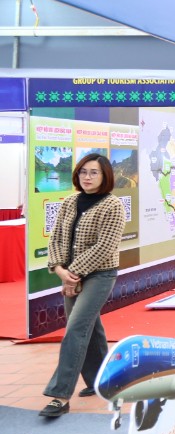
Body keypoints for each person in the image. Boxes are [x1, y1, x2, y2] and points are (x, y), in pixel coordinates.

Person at [39, 153, 126, 418]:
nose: (87, 177)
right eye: (83, 172)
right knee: (89, 326)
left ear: (105, 175)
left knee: (76, 328)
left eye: (94, 172)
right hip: (69, 273)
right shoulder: (69, 202)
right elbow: (56, 239)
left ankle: (60, 395)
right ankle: (103, 379)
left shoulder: (113, 205)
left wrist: (72, 274)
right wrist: (59, 270)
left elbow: (105, 246)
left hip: (100, 275)